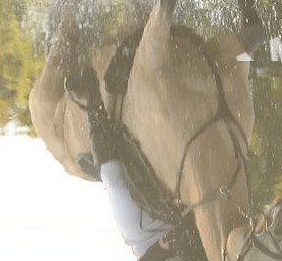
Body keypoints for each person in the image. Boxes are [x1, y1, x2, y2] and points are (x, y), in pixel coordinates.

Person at [66, 67, 191, 261]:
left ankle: (91, 95)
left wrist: (164, 247)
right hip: (178, 228)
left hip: (144, 237)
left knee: (112, 177)